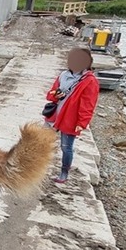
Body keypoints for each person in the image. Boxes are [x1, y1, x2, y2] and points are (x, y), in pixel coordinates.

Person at [45, 46, 100, 184]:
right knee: (42, 140)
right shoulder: (63, 75)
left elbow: (88, 105)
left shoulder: (89, 81)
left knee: (66, 147)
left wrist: (82, 123)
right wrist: (57, 94)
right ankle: (38, 167)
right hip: (54, 115)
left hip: (70, 119)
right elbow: (51, 94)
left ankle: (64, 172)